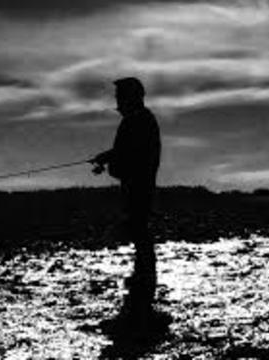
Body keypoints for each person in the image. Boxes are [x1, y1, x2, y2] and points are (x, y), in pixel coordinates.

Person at [90, 77, 165, 327]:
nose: (117, 102)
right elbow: (125, 153)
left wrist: (110, 162)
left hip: (138, 191)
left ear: (131, 97)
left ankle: (141, 302)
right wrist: (107, 157)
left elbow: (132, 158)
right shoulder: (140, 121)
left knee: (141, 235)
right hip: (138, 190)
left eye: (120, 96)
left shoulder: (137, 122)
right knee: (140, 236)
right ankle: (142, 297)